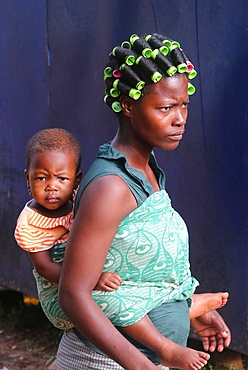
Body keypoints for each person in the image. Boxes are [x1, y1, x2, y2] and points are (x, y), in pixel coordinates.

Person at [56, 33, 231, 369]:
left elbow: (135, 268)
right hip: (105, 363)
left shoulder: (146, 168)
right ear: (128, 105)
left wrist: (184, 309)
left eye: (184, 105)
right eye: (165, 108)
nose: (179, 118)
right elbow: (73, 295)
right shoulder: (111, 186)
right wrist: (140, 365)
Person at [14, 128, 122, 330]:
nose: (51, 187)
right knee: (117, 305)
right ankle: (161, 346)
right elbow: (44, 267)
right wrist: (93, 279)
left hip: (86, 275)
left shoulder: (81, 199)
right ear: (27, 179)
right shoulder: (29, 223)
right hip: (59, 291)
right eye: (41, 178)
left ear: (77, 180)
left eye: (61, 179)